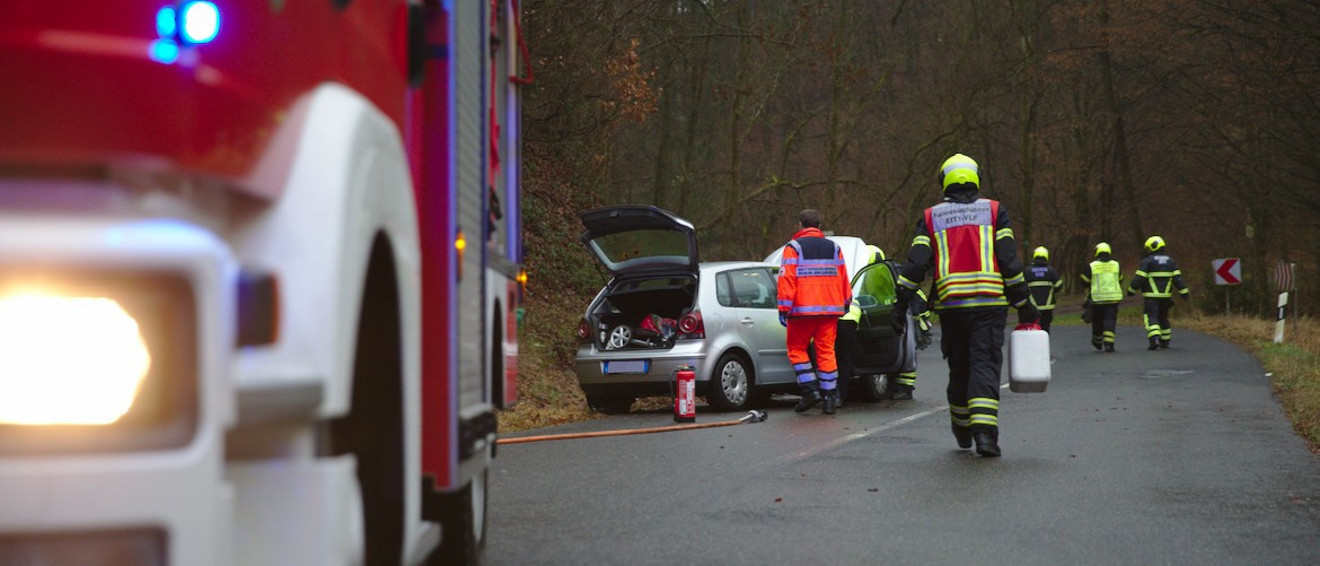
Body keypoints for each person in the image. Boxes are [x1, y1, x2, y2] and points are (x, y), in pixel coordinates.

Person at [890, 153, 1037, 457]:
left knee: (960, 370)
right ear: (976, 178)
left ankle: (962, 428)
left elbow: (916, 265)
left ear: (944, 180)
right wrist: (1024, 302)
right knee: (984, 365)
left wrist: (899, 304)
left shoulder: (932, 217)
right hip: (990, 305)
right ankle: (985, 435)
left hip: (953, 308)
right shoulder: (995, 211)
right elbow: (1009, 260)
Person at [777, 209, 852, 415]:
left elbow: (787, 278)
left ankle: (810, 391)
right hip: (830, 310)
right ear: (819, 226)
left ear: (800, 225)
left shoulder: (793, 248)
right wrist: (846, 302)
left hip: (802, 310)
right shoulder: (834, 248)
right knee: (826, 352)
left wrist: (784, 307)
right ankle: (829, 398)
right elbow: (843, 276)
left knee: (797, 349)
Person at [834, 245, 931, 403]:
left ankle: (904, 388)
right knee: (907, 349)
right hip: (894, 313)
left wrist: (917, 314)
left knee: (908, 350)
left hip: (901, 313)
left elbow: (911, 292)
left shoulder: (880, 272)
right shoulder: (878, 271)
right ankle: (902, 387)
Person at [1127, 235, 1191, 349]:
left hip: (1151, 297)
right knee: (1163, 317)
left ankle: (1154, 339)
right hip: (1166, 297)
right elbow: (1178, 280)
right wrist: (1184, 293)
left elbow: (1139, 279)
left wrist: (1131, 291)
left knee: (1151, 317)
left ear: (1153, 247)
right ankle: (1165, 341)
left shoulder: (1147, 261)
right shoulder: (1171, 262)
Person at [1081, 242, 1124, 352]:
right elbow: (1121, 279)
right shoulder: (1116, 265)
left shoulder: (1092, 266)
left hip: (1097, 299)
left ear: (1097, 252)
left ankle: (1097, 341)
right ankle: (1109, 344)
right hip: (1113, 299)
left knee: (1097, 320)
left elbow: (1084, 281)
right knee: (1110, 320)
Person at [1024, 246, 1063, 333]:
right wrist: (1052, 292)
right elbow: (1059, 285)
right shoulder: (1051, 271)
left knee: (1033, 330)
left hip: (1032, 307)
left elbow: (1022, 287)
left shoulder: (1027, 271)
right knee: (1045, 330)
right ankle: (1044, 346)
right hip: (1047, 307)